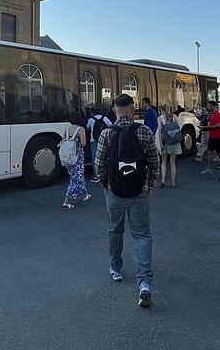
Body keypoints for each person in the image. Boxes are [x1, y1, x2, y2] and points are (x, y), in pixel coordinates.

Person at [95, 94, 159, 307]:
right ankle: (144, 284)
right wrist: (149, 185)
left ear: (115, 110)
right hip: (139, 191)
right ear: (133, 110)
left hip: (114, 193)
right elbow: (153, 161)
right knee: (142, 234)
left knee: (115, 229)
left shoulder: (106, 134)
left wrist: (106, 185)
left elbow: (99, 165)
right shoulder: (145, 131)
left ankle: (115, 268)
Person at [63, 112, 92, 209]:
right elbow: (83, 143)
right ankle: (66, 201)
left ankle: (84, 195)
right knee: (75, 178)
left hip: (68, 156)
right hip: (77, 156)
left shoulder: (67, 129)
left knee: (78, 175)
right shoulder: (80, 129)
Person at [201, 101, 220, 174]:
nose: (208, 108)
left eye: (209, 106)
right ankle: (209, 168)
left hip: (216, 136)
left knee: (217, 153)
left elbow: (219, 125)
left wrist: (206, 127)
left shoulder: (217, 114)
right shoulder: (213, 114)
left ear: (213, 106)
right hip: (214, 135)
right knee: (213, 152)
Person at [156, 105, 181, 188]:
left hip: (165, 141)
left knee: (163, 162)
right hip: (174, 142)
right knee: (172, 163)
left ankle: (163, 179)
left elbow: (160, 131)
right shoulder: (174, 116)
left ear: (162, 110)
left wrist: (160, 143)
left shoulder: (160, 118)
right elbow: (178, 127)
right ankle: (173, 182)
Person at [87, 107, 113, 183]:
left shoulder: (91, 120)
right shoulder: (105, 118)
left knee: (95, 158)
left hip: (93, 141)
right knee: (106, 156)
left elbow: (87, 128)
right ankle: (107, 174)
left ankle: (97, 176)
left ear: (92, 113)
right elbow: (111, 126)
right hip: (104, 140)